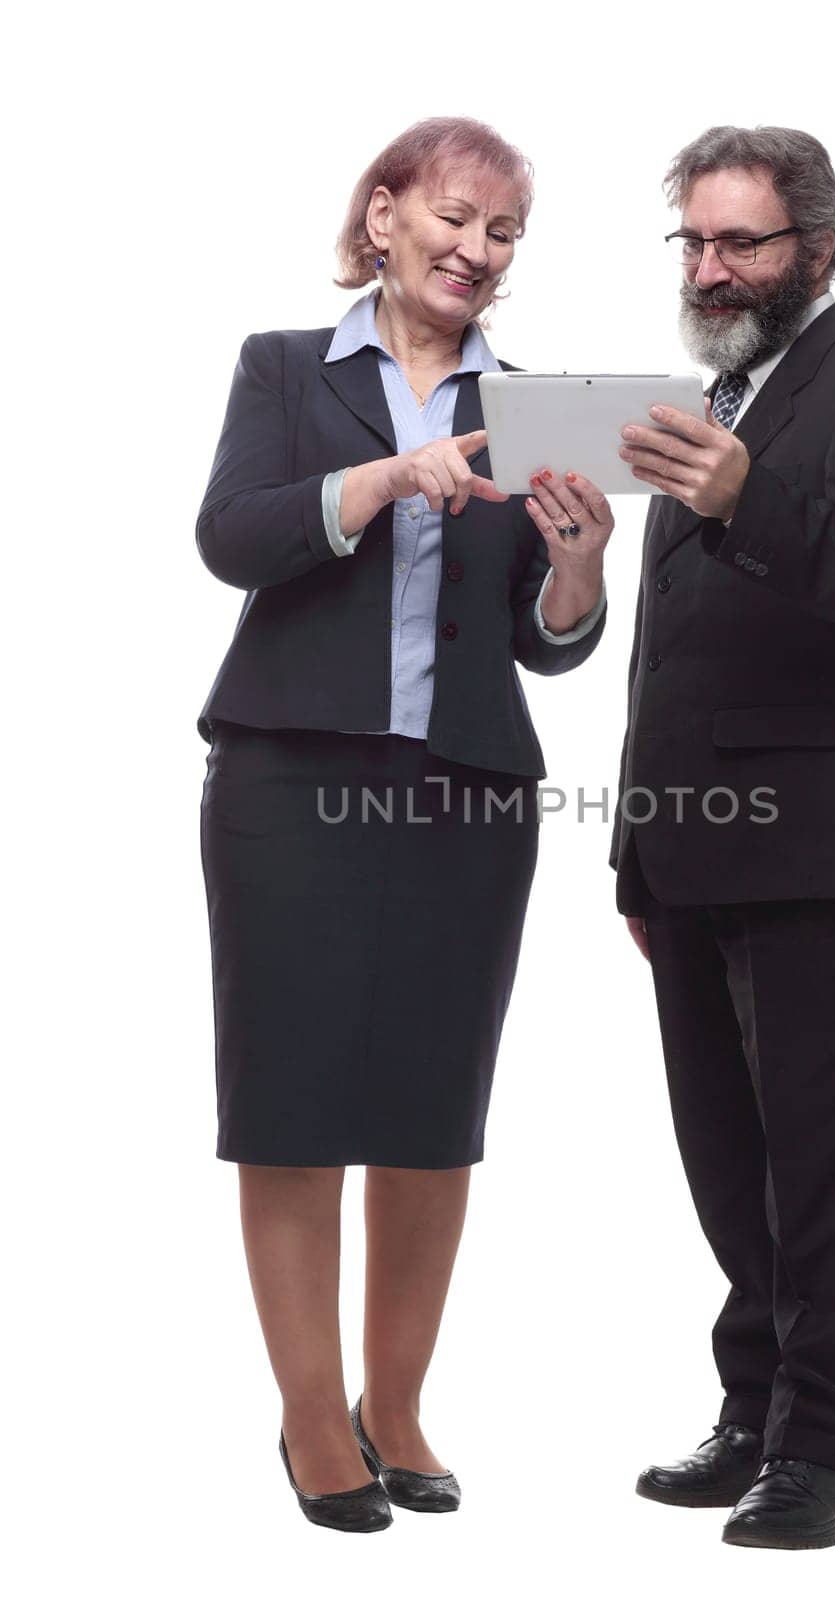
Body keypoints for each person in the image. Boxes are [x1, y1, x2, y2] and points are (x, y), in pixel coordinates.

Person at [196, 116, 613, 1533]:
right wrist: (384, 480)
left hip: (469, 791)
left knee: (433, 1115)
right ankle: (314, 1418)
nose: (478, 252)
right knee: (298, 1102)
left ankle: (399, 1403)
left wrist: (574, 573)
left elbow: (546, 642)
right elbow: (232, 536)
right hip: (291, 779)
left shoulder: (538, 406)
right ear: (383, 218)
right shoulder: (284, 371)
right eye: (455, 218)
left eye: (505, 235)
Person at [610, 125, 835, 1550]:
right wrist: (634, 851)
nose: (714, 266)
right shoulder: (713, 400)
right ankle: (755, 1410)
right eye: (696, 241)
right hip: (689, 850)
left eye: (742, 240)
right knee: (725, 1155)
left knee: (824, 1156)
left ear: (814, 246)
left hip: (817, 844)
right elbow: (666, 656)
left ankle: (826, 1450)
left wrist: (743, 492)